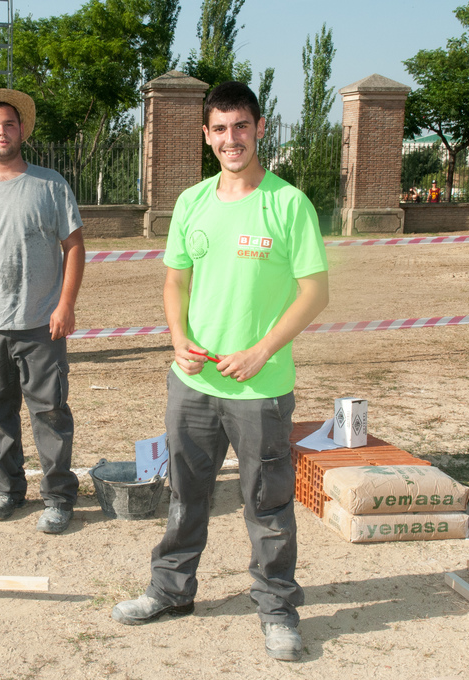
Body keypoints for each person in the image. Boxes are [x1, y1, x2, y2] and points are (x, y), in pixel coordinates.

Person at [110, 81, 329, 663]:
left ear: (259, 129)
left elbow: (315, 293)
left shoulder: (288, 204)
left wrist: (261, 351)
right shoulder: (191, 203)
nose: (231, 138)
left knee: (267, 502)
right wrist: (178, 336)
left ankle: (278, 609)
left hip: (261, 387)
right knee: (186, 495)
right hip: (194, 384)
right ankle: (170, 589)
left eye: (241, 126)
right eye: (220, 128)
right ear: (207, 136)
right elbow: (176, 280)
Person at [0, 88, 85, 535]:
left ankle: (59, 497)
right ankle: (8, 489)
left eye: (9, 124)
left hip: (42, 323)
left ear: (21, 130)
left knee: (50, 411)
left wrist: (65, 304)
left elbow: (74, 247)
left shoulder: (50, 185)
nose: (2, 132)